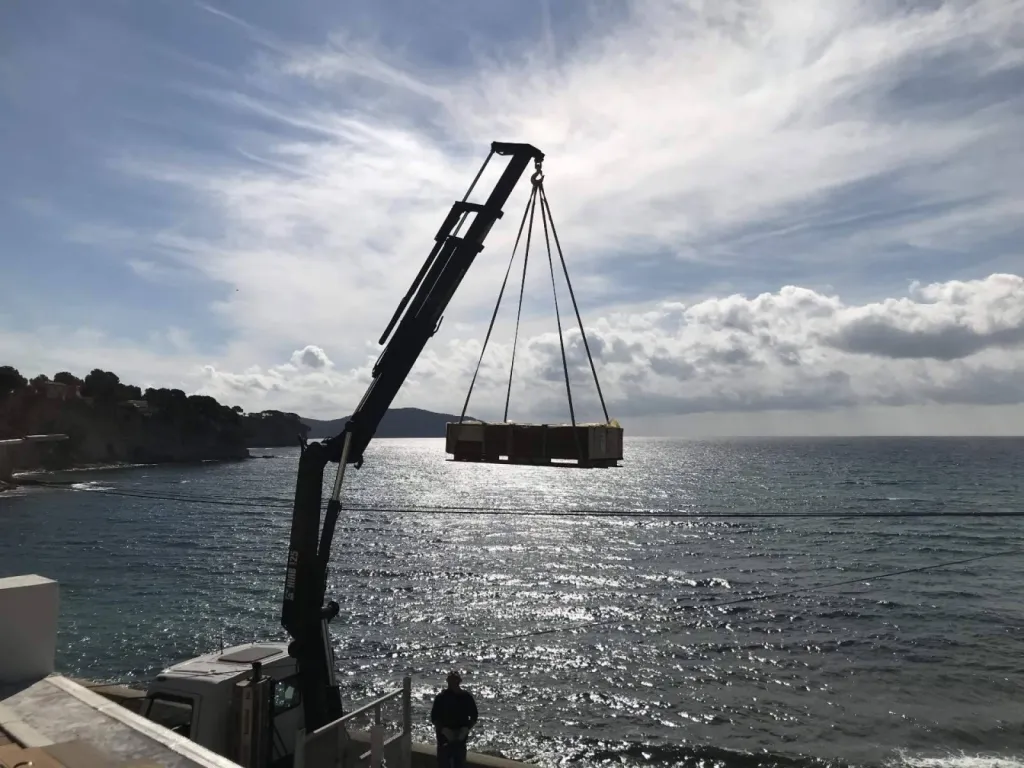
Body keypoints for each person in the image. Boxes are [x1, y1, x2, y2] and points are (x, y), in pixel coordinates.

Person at [430, 669, 478, 768]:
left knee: (459, 762)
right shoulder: (441, 698)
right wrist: (444, 730)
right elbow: (434, 717)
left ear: (459, 682)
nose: (453, 684)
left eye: (455, 681)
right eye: (451, 682)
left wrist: (466, 729)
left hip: (460, 736)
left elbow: (474, 716)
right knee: (444, 762)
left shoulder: (466, 697)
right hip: (444, 738)